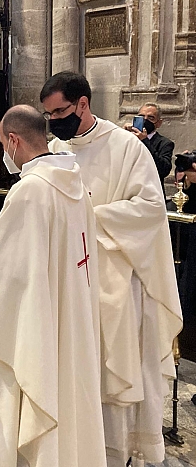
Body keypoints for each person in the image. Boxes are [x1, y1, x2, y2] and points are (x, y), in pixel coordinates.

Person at [40, 71, 182, 467]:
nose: (54, 122)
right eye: (48, 115)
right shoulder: (54, 149)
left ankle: (112, 451)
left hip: (113, 277)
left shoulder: (126, 148)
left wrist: (88, 217)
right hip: (66, 278)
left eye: (60, 112)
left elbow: (150, 209)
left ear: (83, 104)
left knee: (111, 370)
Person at [0, 105, 106, 467]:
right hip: (73, 317)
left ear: (13, 140)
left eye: (1, 144)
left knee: (20, 395)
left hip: (40, 324)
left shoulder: (31, 192)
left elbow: (4, 274)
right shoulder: (75, 181)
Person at [123, 103, 174, 194]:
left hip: (150, 192)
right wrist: (121, 135)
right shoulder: (127, 138)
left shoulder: (165, 143)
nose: (145, 120)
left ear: (158, 123)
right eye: (141, 117)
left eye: (151, 118)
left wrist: (145, 141)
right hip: (127, 189)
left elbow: (163, 170)